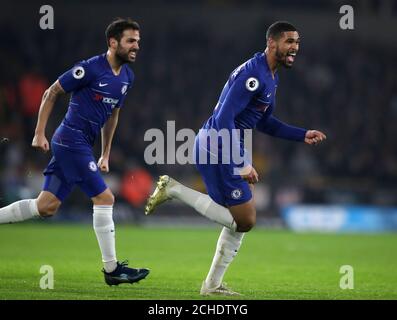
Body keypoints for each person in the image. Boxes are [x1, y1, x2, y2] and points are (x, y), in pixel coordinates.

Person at [145, 21, 326, 295]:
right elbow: (223, 119)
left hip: (223, 144)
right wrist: (240, 162)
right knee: (246, 220)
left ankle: (212, 286)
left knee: (241, 220)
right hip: (216, 146)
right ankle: (173, 189)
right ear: (272, 43)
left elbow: (264, 122)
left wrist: (302, 134)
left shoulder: (269, 76)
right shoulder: (254, 75)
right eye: (289, 41)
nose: (295, 48)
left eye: (297, 42)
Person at [0, 18, 150, 286]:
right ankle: (112, 269)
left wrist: (105, 153)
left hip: (81, 145)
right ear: (113, 42)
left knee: (46, 207)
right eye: (130, 41)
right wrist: (38, 132)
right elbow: (51, 92)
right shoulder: (90, 68)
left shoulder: (127, 77)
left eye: (137, 41)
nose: (136, 46)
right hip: (70, 141)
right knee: (105, 198)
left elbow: (113, 115)